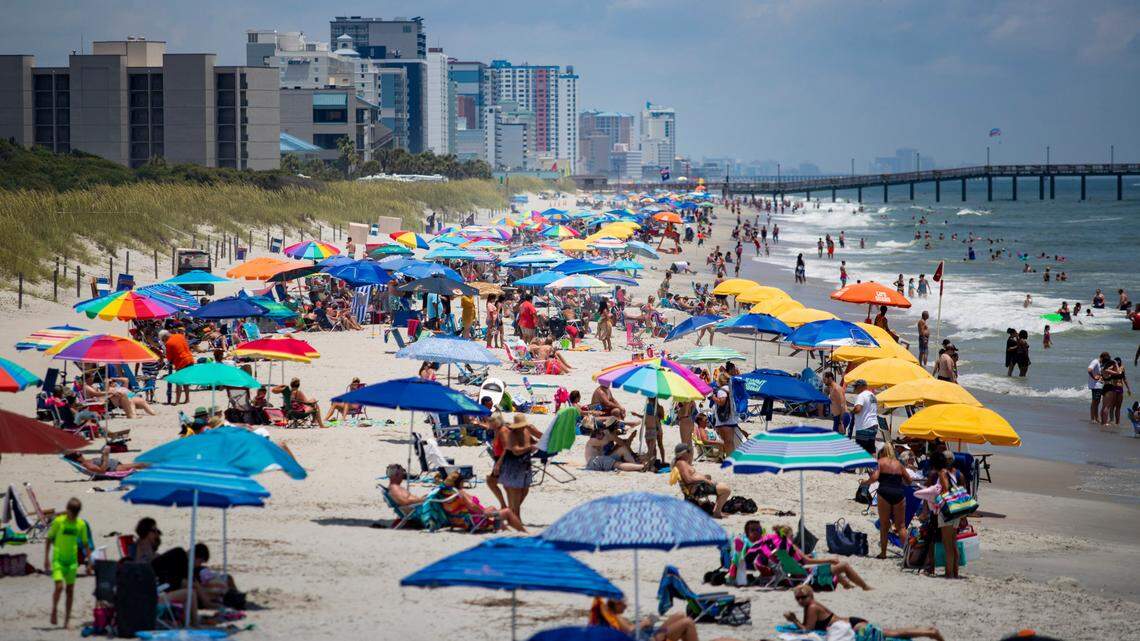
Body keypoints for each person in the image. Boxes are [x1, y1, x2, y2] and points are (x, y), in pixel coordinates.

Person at [784, 585, 942, 640]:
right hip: (853, 624)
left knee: (894, 634)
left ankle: (930, 632)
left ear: (810, 595)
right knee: (891, 633)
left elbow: (808, 629)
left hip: (855, 628)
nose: (800, 601)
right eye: (797, 598)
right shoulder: (811, 606)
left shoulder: (812, 607)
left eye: (803, 597)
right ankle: (929, 632)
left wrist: (794, 620)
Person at [769, 525, 872, 589]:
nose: (793, 538)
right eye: (791, 536)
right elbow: (806, 561)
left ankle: (845, 584)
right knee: (842, 564)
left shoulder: (779, 547)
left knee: (833, 563)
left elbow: (795, 560)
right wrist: (828, 559)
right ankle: (864, 586)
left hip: (797, 572)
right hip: (809, 574)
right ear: (786, 536)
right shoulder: (791, 546)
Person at [45, 498, 90, 628]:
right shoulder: (59, 522)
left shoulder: (80, 524)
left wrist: (90, 562)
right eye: (72, 512)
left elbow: (86, 544)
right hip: (58, 560)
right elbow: (49, 539)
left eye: (77, 512)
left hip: (72, 561)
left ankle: (66, 621)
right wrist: (46, 559)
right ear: (67, 510)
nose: (74, 515)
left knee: (70, 590)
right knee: (59, 587)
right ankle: (54, 609)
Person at [859, 444, 908, 558]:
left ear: (882, 453)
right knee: (901, 526)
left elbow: (875, 478)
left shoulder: (880, 462)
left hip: (884, 492)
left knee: (884, 525)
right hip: (898, 493)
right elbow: (909, 481)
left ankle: (883, 553)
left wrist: (865, 482)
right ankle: (907, 553)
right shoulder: (899, 464)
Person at [589, 597, 704, 641]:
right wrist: (644, 623)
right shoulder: (614, 618)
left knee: (680, 615)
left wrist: (645, 623)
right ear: (616, 604)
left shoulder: (615, 617)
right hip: (651, 639)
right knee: (688, 623)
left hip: (650, 634)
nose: (626, 605)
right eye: (624, 603)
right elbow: (629, 630)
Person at [499, 414, 540, 523]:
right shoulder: (512, 435)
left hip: (525, 463)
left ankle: (511, 511)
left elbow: (533, 442)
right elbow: (515, 450)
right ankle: (516, 516)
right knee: (516, 491)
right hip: (513, 464)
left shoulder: (526, 431)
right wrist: (529, 447)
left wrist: (538, 444)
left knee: (525, 490)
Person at [928, 454, 963, 578]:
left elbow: (946, 489)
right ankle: (955, 572)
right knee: (953, 542)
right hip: (956, 509)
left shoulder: (942, 473)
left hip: (947, 510)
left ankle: (949, 573)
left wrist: (937, 496)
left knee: (947, 543)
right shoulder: (951, 473)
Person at [673, 444, 730, 518]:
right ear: (684, 453)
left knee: (719, 485)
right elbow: (688, 480)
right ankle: (717, 512)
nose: (690, 453)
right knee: (726, 490)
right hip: (697, 488)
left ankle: (716, 510)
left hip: (698, 486)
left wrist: (705, 477)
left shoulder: (681, 463)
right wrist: (704, 479)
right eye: (689, 451)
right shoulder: (681, 463)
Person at [163, 328, 195, 405]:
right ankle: (187, 399)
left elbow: (169, 358)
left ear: (164, 337)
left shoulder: (168, 343)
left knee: (179, 382)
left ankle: (177, 401)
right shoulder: (180, 336)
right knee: (185, 381)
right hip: (190, 359)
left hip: (182, 361)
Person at [63, 446, 148, 475]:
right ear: (78, 456)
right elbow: (102, 470)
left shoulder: (86, 462)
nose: (79, 451)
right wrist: (106, 455)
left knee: (140, 465)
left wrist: (104, 454)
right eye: (77, 452)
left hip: (115, 465)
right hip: (115, 468)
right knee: (139, 465)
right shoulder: (86, 465)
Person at [712, 373, 740, 454]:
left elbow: (722, 402)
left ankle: (729, 458)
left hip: (724, 419)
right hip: (731, 418)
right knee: (729, 441)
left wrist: (713, 397)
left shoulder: (722, 390)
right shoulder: (731, 389)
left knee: (727, 442)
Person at [1088, 352, 1108, 423]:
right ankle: (1093, 419)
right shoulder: (1095, 361)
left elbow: (1099, 373)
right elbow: (1089, 370)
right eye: (1104, 360)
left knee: (1097, 402)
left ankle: (1096, 418)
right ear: (1101, 357)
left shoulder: (1100, 363)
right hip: (1095, 385)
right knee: (1095, 402)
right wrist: (1094, 377)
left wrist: (1101, 378)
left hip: (1098, 385)